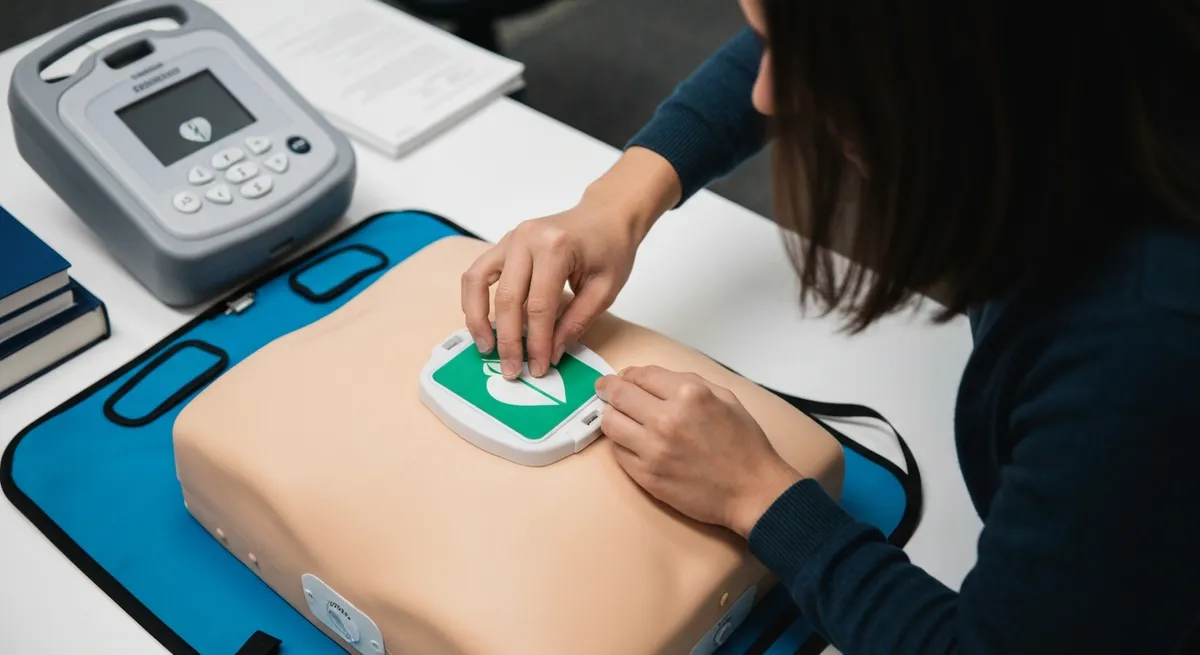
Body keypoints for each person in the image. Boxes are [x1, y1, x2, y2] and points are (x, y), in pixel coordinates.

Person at [459, 0, 1200, 652]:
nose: (767, 91)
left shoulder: (1139, 349)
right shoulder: (1085, 62)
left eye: (810, 60)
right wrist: (618, 199)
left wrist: (757, 494)